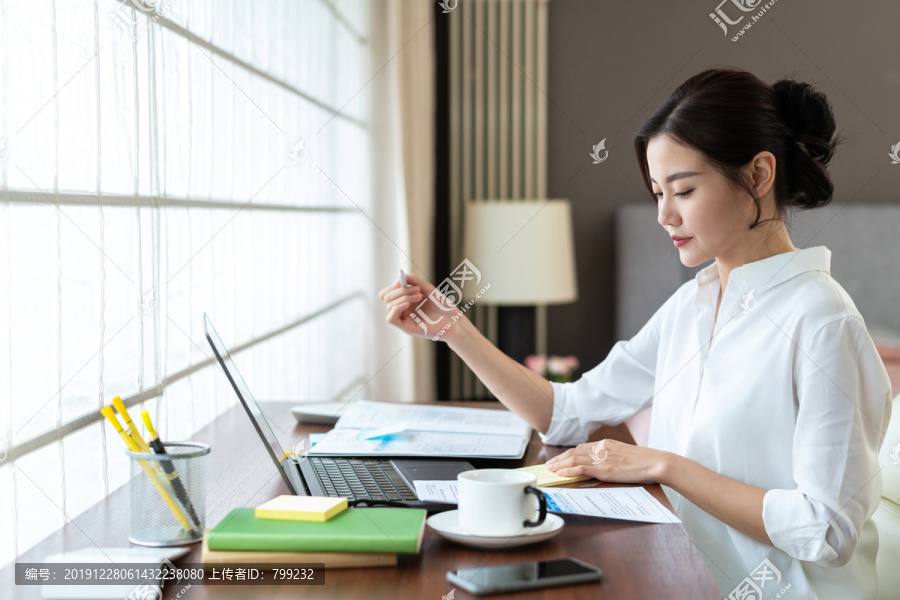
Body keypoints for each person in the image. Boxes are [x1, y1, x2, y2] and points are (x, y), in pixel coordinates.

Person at [378, 67, 892, 599]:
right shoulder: (695, 302)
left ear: (760, 174)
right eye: (656, 193)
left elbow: (827, 531)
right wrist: (453, 329)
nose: (665, 215)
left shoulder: (823, 321)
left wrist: (664, 466)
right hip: (680, 575)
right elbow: (568, 412)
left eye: (684, 190)